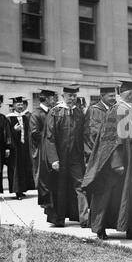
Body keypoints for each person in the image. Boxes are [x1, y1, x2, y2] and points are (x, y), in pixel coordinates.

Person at [82, 80, 132, 241]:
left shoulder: (129, 109)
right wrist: (117, 163)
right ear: (128, 95)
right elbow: (110, 140)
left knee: (131, 194)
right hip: (119, 163)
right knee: (107, 195)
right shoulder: (118, 110)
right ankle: (99, 228)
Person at [42, 85, 89, 228]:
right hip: (60, 157)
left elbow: (84, 135)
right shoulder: (55, 112)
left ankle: (84, 218)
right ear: (63, 96)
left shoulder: (79, 112)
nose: (72, 99)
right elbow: (49, 137)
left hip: (75, 157)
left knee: (80, 185)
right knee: (60, 188)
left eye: (74, 96)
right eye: (69, 96)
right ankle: (59, 219)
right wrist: (53, 159)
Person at [29, 89, 56, 207]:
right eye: (52, 98)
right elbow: (34, 133)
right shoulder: (36, 114)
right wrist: (49, 139)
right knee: (42, 175)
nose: (54, 100)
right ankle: (44, 201)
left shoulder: (51, 112)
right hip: (41, 149)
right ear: (45, 99)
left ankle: (51, 199)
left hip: (50, 148)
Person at [6, 97, 35, 200]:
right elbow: (6, 133)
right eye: (18, 105)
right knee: (16, 169)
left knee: (23, 167)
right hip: (14, 147)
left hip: (24, 146)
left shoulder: (25, 117)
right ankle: (17, 191)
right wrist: (14, 130)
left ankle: (22, 189)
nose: (20, 106)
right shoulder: (9, 118)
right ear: (13, 106)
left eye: (22, 104)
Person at [84, 85, 117, 162]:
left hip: (112, 154)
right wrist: (94, 154)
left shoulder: (114, 110)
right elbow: (91, 134)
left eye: (114, 96)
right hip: (98, 155)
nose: (114, 98)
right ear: (102, 96)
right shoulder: (94, 110)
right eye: (111, 96)